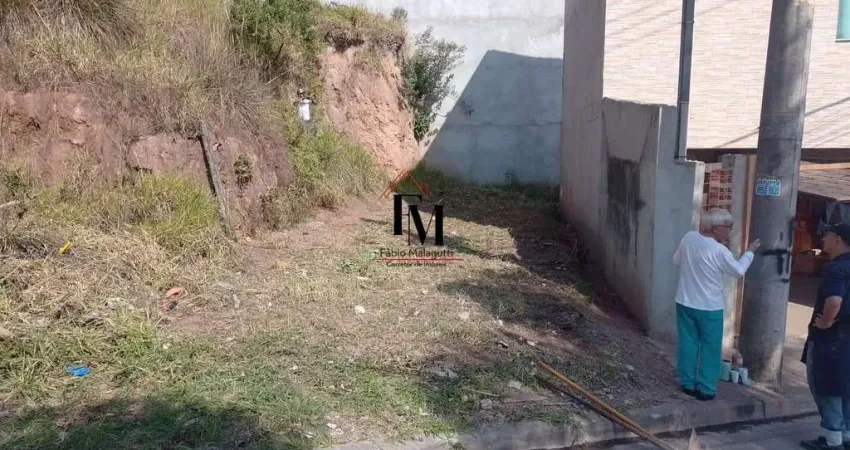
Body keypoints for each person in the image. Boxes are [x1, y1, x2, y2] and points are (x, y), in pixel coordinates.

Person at [673, 208, 761, 401]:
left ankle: (687, 383)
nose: (729, 231)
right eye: (728, 227)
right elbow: (738, 271)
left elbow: (676, 261)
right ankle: (705, 388)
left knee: (687, 343)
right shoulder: (720, 251)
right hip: (709, 307)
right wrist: (749, 253)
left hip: (684, 301)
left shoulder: (688, 238)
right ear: (715, 228)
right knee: (710, 347)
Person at [801, 224, 850, 450]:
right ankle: (845, 436)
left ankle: (833, 441)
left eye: (827, 236)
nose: (823, 240)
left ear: (838, 240)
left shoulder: (837, 269)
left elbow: (833, 301)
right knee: (845, 387)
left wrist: (826, 322)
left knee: (825, 386)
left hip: (831, 340)